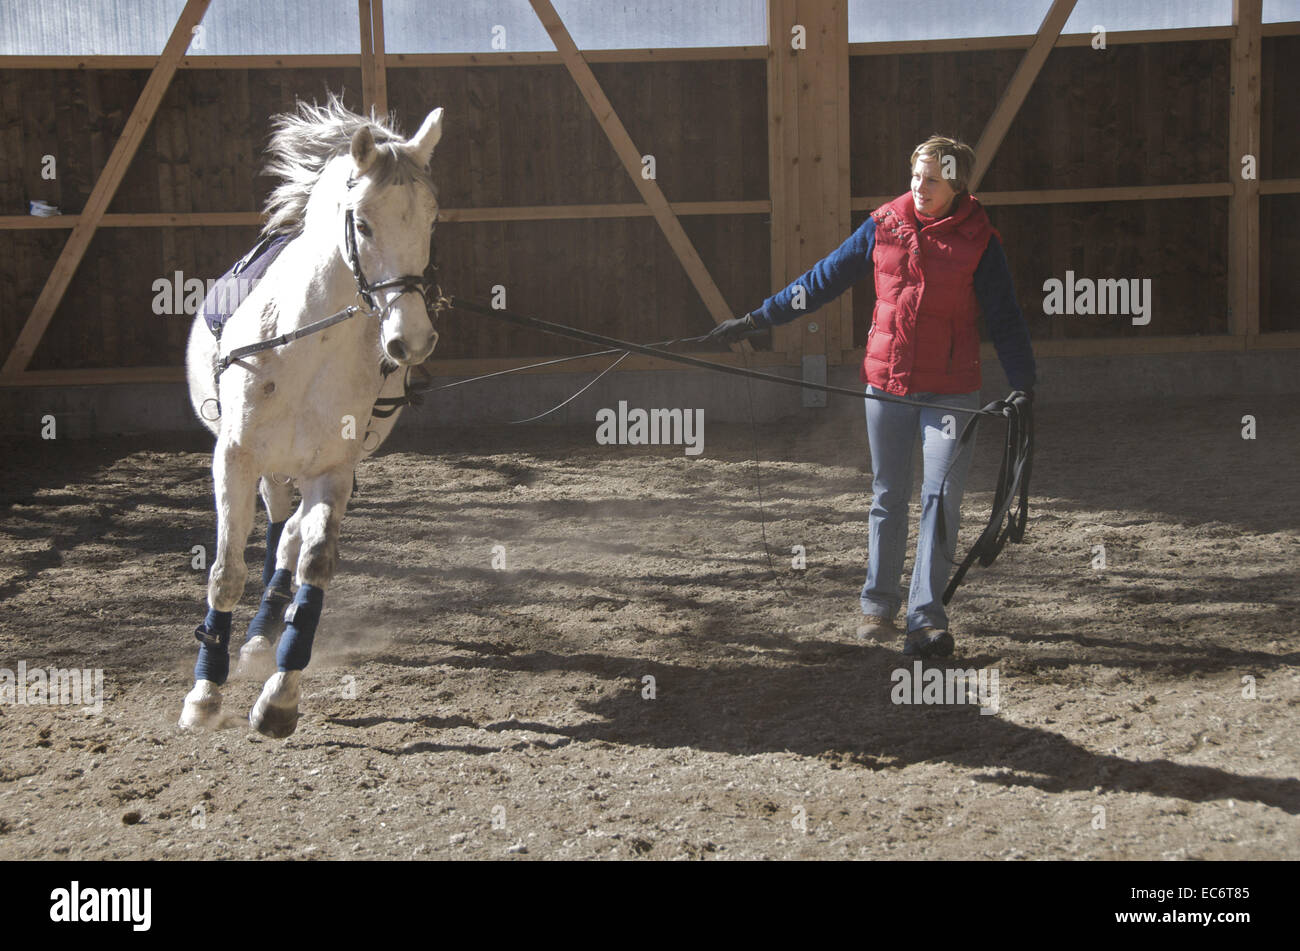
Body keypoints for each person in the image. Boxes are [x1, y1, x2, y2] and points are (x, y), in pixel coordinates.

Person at [709, 135, 1036, 658]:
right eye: (915, 177)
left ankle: (927, 619)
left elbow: (1006, 317)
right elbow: (821, 280)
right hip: (886, 385)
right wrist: (758, 319)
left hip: (951, 393)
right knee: (889, 494)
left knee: (940, 498)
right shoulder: (884, 225)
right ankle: (877, 607)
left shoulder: (980, 242)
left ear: (958, 184)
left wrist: (1024, 384)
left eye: (932, 180)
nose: (920, 188)